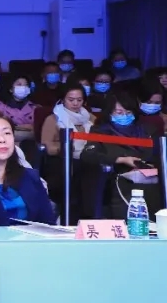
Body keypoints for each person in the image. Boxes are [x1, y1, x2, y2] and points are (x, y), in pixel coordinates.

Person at [80, 91, 162, 219]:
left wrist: (148, 166)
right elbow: (88, 155)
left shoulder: (148, 130)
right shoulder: (100, 131)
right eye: (119, 112)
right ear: (109, 113)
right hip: (117, 179)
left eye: (128, 112)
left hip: (150, 179)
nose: (124, 116)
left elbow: (159, 154)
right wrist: (121, 159)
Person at [41, 81, 94, 159]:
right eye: (71, 100)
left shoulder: (90, 117)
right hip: (62, 159)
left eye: (79, 100)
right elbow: (46, 145)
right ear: (63, 100)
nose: (75, 103)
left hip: (90, 157)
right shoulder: (53, 119)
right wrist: (65, 148)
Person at [0, 74, 37, 143]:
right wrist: (23, 127)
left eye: (26, 85)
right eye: (19, 84)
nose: (23, 87)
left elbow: (36, 128)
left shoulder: (35, 108)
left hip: (29, 143)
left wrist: (15, 126)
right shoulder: (0, 106)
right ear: (11, 89)